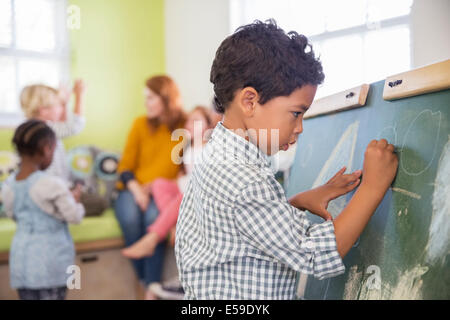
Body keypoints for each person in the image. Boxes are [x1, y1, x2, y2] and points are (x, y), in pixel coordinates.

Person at [175, 20, 398, 299]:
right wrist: (372, 188)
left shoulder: (219, 151)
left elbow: (240, 227)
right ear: (250, 101)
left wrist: (297, 201)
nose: (300, 127)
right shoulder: (244, 178)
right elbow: (317, 255)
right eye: (296, 113)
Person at [114, 75, 186, 290]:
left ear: (166, 98)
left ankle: (151, 284)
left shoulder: (185, 125)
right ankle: (149, 283)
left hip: (162, 190)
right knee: (129, 218)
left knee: (153, 217)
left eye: (151, 98)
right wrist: (137, 190)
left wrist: (154, 186)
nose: (146, 103)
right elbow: (124, 167)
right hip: (132, 188)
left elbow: (186, 167)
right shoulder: (140, 124)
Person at [1, 120, 85, 300]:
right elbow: (74, 216)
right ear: (47, 149)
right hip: (51, 266)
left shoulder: (9, 187)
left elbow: (13, 214)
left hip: (21, 267)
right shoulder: (51, 184)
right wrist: (75, 202)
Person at [121, 106, 214, 259]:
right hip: (186, 186)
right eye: (189, 120)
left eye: (196, 121)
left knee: (183, 195)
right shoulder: (189, 147)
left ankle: (153, 238)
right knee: (159, 184)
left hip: (197, 191)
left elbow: (203, 178)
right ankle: (173, 226)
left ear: (208, 126)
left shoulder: (209, 148)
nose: (189, 124)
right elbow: (186, 175)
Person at [20, 81, 107, 216]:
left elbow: (63, 123)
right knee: (100, 203)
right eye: (58, 106)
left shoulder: (30, 128)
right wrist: (79, 95)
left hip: (47, 188)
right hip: (52, 190)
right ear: (43, 110)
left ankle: (52, 208)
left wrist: (65, 104)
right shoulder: (46, 129)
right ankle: (55, 210)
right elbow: (74, 126)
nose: (61, 110)